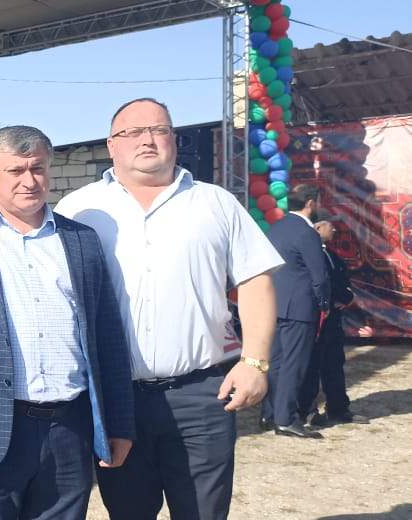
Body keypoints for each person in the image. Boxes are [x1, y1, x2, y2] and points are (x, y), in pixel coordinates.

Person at [55, 98, 283, 520]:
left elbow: (256, 280)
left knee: (202, 512)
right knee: (128, 512)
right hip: (115, 399)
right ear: (112, 145)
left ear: (174, 140)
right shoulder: (78, 210)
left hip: (201, 395)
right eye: (132, 132)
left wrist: (255, 362)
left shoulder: (215, 203)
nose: (147, 140)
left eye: (158, 130)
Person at [0, 125, 135, 520]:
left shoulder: (81, 240)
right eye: (15, 170)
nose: (29, 181)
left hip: (69, 430)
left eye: (37, 168)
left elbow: (108, 337)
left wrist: (119, 423)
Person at [261, 183, 330, 439]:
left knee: (276, 363)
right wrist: (324, 304)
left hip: (274, 303)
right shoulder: (307, 232)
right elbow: (319, 275)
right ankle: (286, 419)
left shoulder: (276, 227)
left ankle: (270, 414)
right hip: (299, 307)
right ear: (310, 203)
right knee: (294, 364)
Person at [297, 217, 367, 426]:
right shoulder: (308, 253)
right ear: (318, 227)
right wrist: (335, 297)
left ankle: (338, 408)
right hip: (315, 318)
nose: (335, 231)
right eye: (331, 227)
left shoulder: (332, 255)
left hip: (333, 320)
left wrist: (347, 296)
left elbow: (343, 281)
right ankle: (308, 410)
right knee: (311, 366)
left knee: (334, 364)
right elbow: (320, 281)